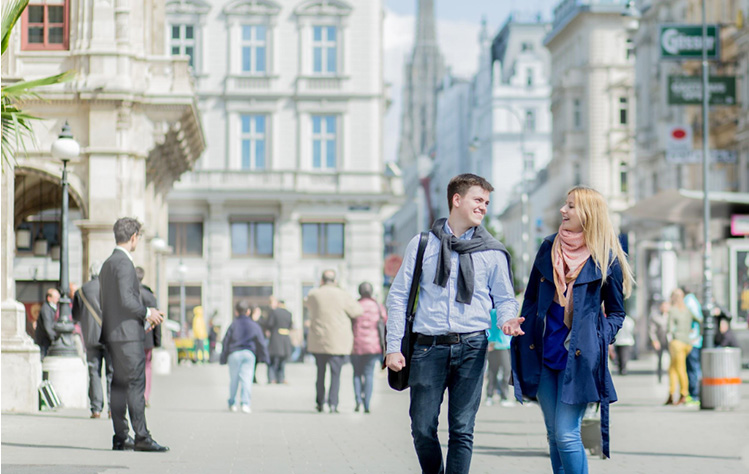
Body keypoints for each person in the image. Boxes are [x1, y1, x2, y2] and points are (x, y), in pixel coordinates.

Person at [386, 174, 518, 474]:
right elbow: (398, 297)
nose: (483, 207)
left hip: (472, 344)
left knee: (462, 429)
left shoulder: (492, 251)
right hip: (427, 347)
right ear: (456, 200)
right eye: (478, 200)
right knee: (421, 427)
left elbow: (505, 297)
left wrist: (509, 319)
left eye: (486, 202)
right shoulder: (422, 244)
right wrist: (393, 347)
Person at [506, 186, 635, 471]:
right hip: (542, 355)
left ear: (589, 214)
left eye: (571, 206)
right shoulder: (547, 248)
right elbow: (530, 300)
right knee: (554, 436)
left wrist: (600, 338)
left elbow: (616, 312)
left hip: (579, 359)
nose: (563, 210)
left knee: (566, 434)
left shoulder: (606, 258)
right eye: (565, 204)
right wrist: (519, 323)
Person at [99, 217, 167, 452]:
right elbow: (127, 300)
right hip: (128, 338)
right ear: (134, 237)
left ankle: (120, 437)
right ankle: (142, 437)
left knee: (117, 386)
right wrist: (148, 312)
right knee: (136, 385)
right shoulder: (126, 263)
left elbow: (110, 302)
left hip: (112, 334)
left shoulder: (107, 264)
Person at [306, 269, 363, 413]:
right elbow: (357, 311)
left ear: (322, 280)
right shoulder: (343, 294)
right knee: (336, 375)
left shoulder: (314, 294)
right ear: (335, 281)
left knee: (320, 373)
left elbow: (308, 305)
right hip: (338, 341)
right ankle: (333, 404)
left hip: (318, 340)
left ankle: (320, 402)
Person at [72, 261, 113, 419]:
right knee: (112, 373)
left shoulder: (82, 291)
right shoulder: (112, 289)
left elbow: (75, 316)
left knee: (94, 372)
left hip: (91, 338)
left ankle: (96, 408)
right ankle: (112, 408)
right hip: (110, 338)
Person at [220, 301, 269, 413]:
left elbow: (226, 342)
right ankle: (245, 404)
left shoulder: (233, 325)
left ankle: (232, 403)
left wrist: (223, 358)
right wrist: (265, 358)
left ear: (236, 312)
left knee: (234, 379)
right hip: (249, 354)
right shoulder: (254, 325)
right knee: (247, 379)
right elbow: (261, 342)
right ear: (248, 312)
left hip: (234, 354)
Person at [352, 282, 387, 413]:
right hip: (373, 346)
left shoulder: (355, 305)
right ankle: (367, 404)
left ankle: (358, 401)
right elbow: (385, 321)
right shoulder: (378, 306)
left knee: (356, 374)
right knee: (369, 374)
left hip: (356, 345)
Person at [665, 288, 699, 406]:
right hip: (687, 343)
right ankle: (671, 393)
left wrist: (672, 337)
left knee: (679, 369)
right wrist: (696, 335)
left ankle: (683, 394)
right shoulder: (687, 310)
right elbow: (700, 320)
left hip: (677, 343)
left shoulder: (673, 310)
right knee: (673, 369)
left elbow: (669, 328)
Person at [135, 267, 161, 406]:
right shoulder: (150, 295)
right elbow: (157, 319)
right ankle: (145, 396)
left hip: (133, 336)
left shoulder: (131, 294)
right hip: (148, 338)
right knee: (147, 366)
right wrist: (158, 339)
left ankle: (135, 394)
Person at [485, 308, 513, 407]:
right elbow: (490, 327)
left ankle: (502, 396)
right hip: (496, 345)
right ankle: (491, 396)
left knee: (505, 371)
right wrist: (490, 340)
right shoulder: (493, 312)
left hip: (506, 345)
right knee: (494, 371)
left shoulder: (509, 310)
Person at [265, 297, 293, 384]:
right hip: (285, 338)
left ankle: (272, 378)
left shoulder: (274, 312)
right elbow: (290, 325)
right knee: (282, 360)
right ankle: (281, 378)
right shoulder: (289, 313)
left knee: (272, 360)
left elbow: (269, 324)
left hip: (276, 338)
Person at [683, 288, 703, 404]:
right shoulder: (693, 300)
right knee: (694, 367)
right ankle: (695, 393)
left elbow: (697, 318)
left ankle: (695, 394)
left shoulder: (688, 301)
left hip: (692, 340)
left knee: (692, 368)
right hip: (695, 340)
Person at [648, 300, 669, 383]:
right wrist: (655, 340)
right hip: (660, 340)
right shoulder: (655, 317)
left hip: (670, 341)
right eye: (663, 306)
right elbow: (652, 330)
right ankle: (659, 377)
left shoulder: (671, 315)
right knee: (659, 360)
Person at [36, 288, 60, 360]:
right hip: (45, 342)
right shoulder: (46, 309)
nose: (58, 300)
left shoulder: (52, 308)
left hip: (47, 342)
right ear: (49, 298)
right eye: (56, 298)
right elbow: (48, 327)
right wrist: (54, 339)